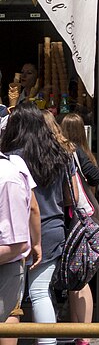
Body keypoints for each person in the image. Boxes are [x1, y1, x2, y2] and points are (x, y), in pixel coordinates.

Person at [0, 104, 73, 345]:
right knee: (41, 291)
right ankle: (48, 342)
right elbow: (68, 195)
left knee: (13, 302)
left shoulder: (13, 157)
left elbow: (32, 206)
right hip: (52, 228)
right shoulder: (59, 153)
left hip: (17, 233)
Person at [53, 113, 99, 343]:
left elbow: (96, 178)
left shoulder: (75, 153)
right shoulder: (84, 152)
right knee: (77, 277)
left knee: (79, 277)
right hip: (83, 220)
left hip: (81, 220)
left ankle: (83, 334)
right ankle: (78, 333)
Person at [0, 146, 41, 343]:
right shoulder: (16, 166)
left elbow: (16, 244)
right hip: (12, 258)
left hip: (7, 262)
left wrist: (36, 243)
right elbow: (33, 207)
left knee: (9, 315)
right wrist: (37, 242)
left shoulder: (9, 173)